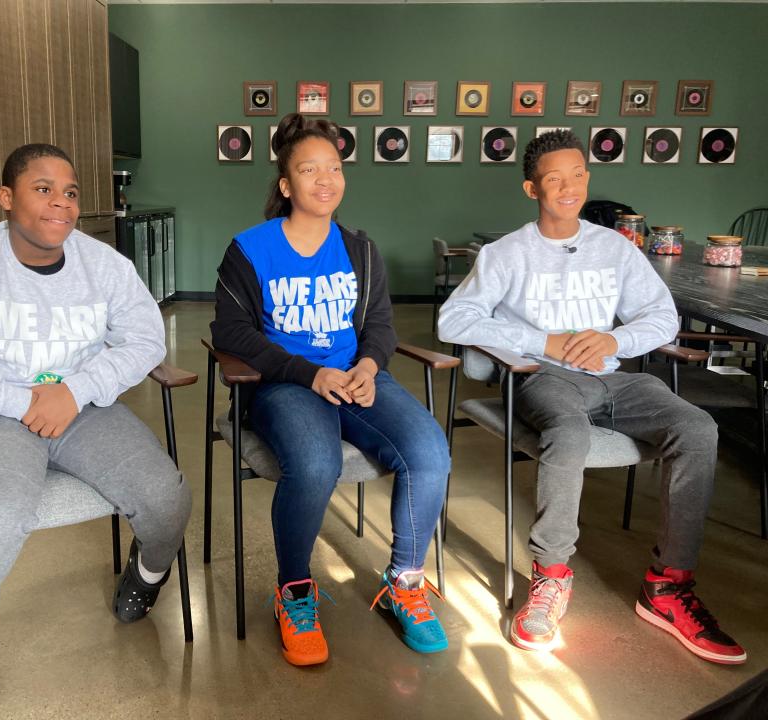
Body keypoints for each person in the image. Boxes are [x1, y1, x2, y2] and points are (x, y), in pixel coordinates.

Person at [0, 143, 192, 718]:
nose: (61, 203)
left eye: (71, 192)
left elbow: (145, 341)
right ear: (6, 198)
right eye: (43, 189)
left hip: (83, 410)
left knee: (166, 494)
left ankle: (147, 571)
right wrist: (21, 399)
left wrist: (74, 392)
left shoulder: (104, 265)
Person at [438, 130, 746, 664]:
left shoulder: (613, 248)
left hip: (617, 378)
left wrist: (616, 339)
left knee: (698, 428)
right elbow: (453, 319)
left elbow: (662, 316)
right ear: (531, 186)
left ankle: (669, 587)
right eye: (554, 178)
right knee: (569, 433)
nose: (568, 187)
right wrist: (544, 341)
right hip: (546, 378)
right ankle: (551, 577)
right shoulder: (506, 254)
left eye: (577, 174)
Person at [211, 113, 451, 666]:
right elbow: (232, 331)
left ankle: (405, 582)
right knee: (317, 464)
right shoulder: (250, 249)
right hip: (283, 386)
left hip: (356, 379)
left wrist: (368, 366)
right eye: (309, 169)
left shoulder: (360, 250)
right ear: (286, 184)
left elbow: (381, 325)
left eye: (335, 168)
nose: (326, 179)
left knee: (429, 452)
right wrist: (307, 373)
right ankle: (294, 592)